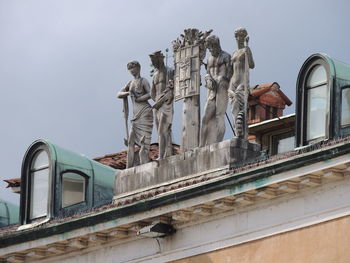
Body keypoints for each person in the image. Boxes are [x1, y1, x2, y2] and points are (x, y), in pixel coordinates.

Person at [117, 61, 153, 168]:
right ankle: (129, 167)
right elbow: (118, 94)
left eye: (133, 68)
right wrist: (127, 93)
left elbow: (151, 94)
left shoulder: (143, 81)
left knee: (144, 142)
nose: (132, 71)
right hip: (135, 115)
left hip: (145, 112)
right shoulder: (130, 83)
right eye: (130, 70)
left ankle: (144, 163)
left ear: (138, 68)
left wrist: (139, 98)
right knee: (130, 142)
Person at [200, 35, 231, 147]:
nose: (211, 50)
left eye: (212, 47)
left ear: (216, 45)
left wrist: (223, 79)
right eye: (209, 48)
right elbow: (208, 73)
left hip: (222, 88)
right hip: (212, 91)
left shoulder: (226, 56)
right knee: (205, 117)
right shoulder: (209, 59)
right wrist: (207, 78)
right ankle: (201, 145)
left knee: (219, 115)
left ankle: (217, 143)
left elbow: (230, 74)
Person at [228, 28, 255, 139]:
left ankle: (242, 133)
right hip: (232, 84)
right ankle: (237, 132)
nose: (238, 38)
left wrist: (247, 49)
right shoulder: (233, 53)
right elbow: (229, 71)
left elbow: (252, 65)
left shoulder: (245, 50)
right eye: (237, 36)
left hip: (242, 83)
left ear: (244, 37)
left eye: (240, 36)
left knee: (241, 109)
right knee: (234, 110)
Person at [149, 51, 174, 159]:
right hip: (157, 106)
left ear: (160, 59)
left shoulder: (169, 71)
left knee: (162, 130)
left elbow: (172, 88)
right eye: (152, 61)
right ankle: (165, 153)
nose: (153, 63)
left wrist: (163, 100)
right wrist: (157, 101)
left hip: (166, 104)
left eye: (154, 60)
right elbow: (152, 92)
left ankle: (162, 156)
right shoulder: (154, 75)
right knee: (160, 131)